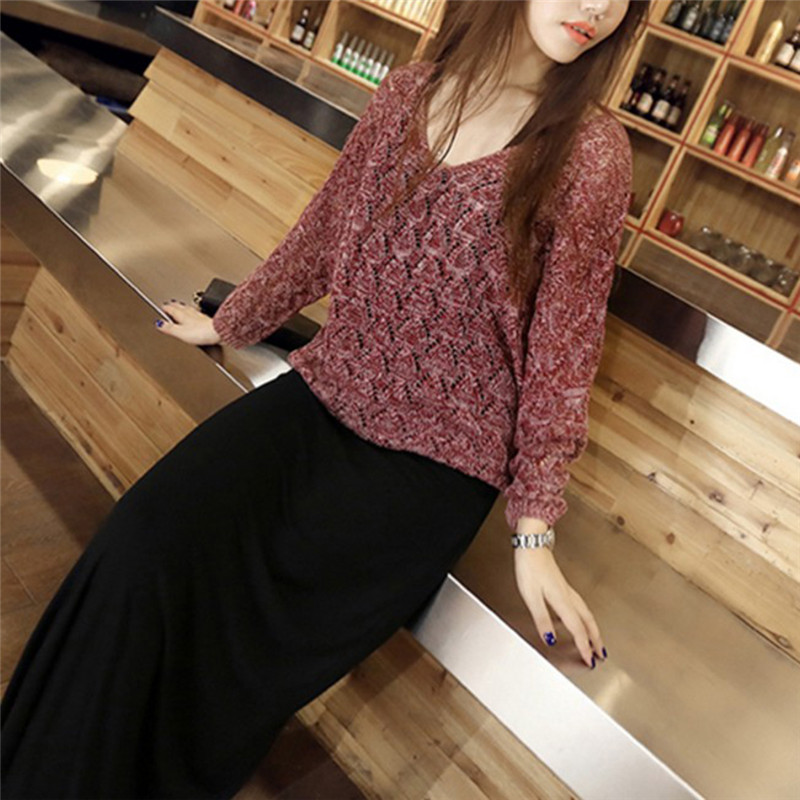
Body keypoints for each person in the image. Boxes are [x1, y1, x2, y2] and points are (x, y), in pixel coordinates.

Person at [1, 1, 648, 797]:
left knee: (219, 663)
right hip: (323, 392)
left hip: (432, 468)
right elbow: (322, 234)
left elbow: (564, 350)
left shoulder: (591, 153)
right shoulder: (408, 93)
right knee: (137, 546)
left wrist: (534, 526)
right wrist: (232, 321)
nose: (596, 8)